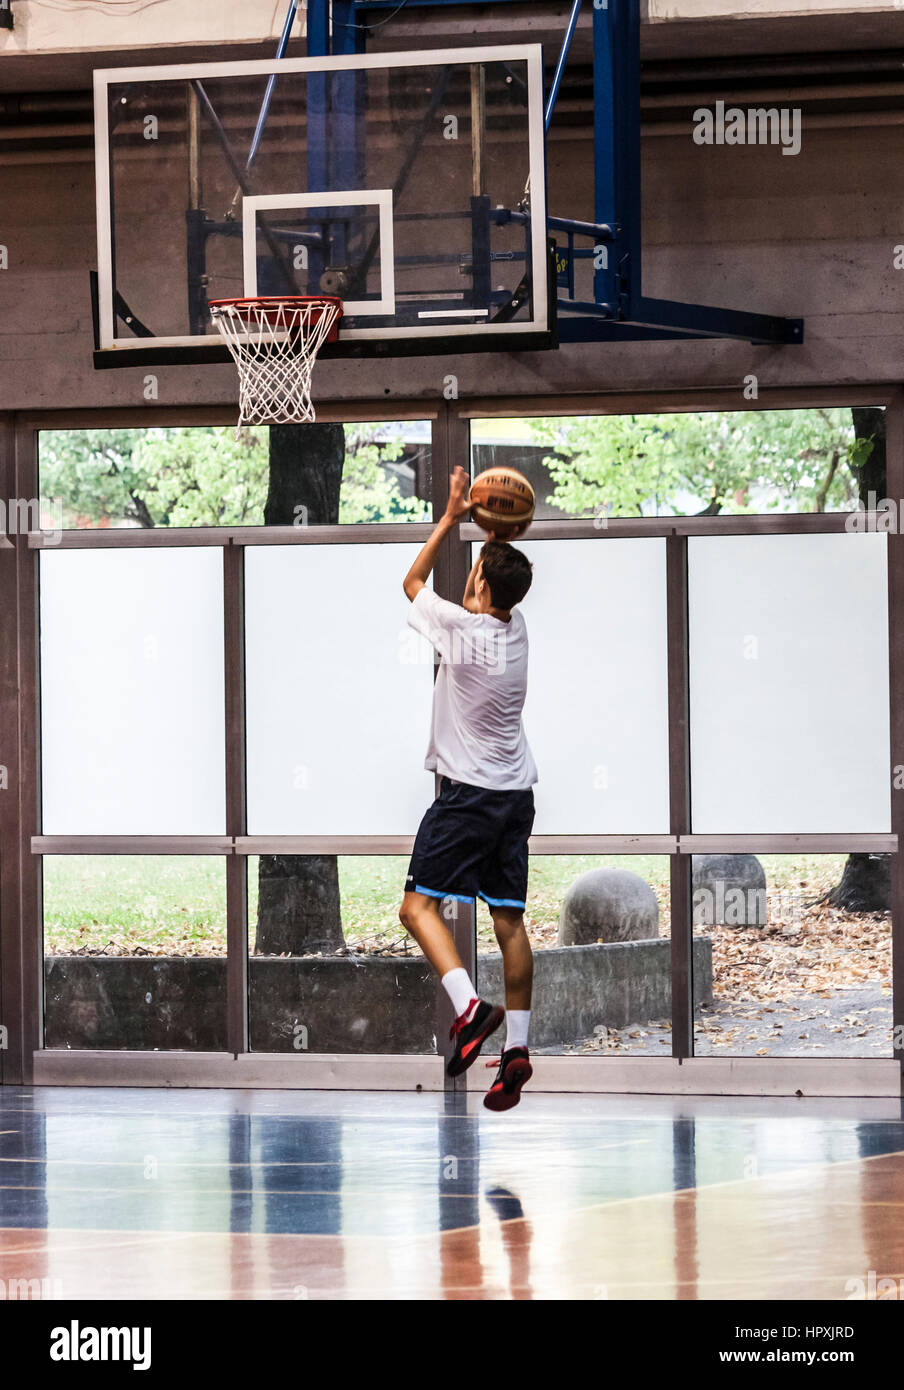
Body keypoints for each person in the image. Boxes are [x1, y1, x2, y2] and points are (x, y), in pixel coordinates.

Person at [398, 465, 537, 1111]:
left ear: (479, 588)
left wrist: (453, 516)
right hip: (514, 797)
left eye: (477, 573)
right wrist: (490, 543)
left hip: (468, 797)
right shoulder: (514, 631)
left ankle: (469, 1010)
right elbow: (469, 595)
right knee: (507, 922)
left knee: (416, 910)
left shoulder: (459, 630)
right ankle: (516, 1050)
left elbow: (412, 583)